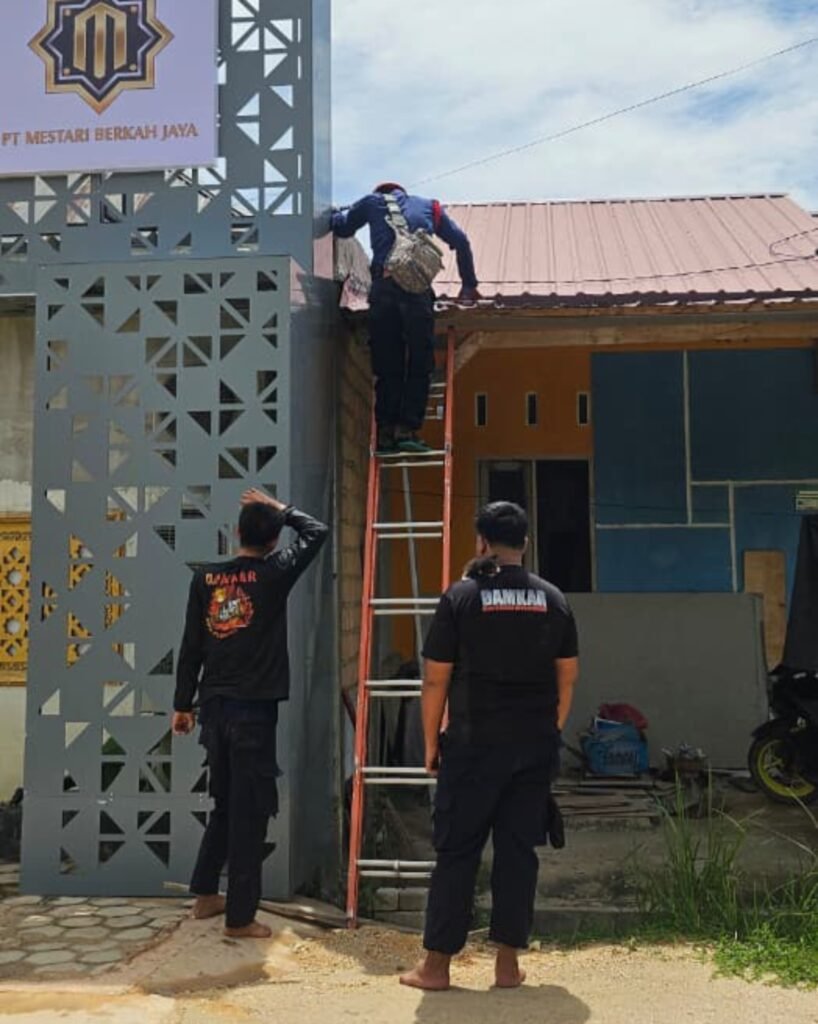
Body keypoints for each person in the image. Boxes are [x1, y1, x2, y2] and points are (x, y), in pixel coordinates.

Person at [400, 502, 580, 991]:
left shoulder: (461, 597)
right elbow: (568, 677)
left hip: (473, 746)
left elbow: (435, 680)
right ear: (526, 544)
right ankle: (506, 964)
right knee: (519, 851)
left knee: (457, 852)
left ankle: (436, 967)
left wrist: (431, 746)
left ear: (481, 543)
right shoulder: (553, 599)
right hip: (534, 747)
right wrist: (550, 728)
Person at [172, 488, 328, 938]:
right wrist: (284, 509)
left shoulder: (205, 580)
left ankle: (205, 895)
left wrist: (183, 705)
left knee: (225, 803)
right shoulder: (275, 573)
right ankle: (240, 918)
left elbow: (191, 648)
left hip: (214, 712)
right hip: (253, 716)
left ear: (235, 533)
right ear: (274, 541)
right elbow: (316, 532)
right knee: (250, 812)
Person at [331, 183, 480, 454]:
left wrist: (332, 215)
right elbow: (461, 241)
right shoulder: (430, 207)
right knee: (420, 362)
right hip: (417, 293)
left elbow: (342, 228)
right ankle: (407, 430)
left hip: (385, 290)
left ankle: (386, 435)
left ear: (382, 192)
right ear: (405, 193)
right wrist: (468, 285)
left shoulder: (372, 203)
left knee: (388, 363)